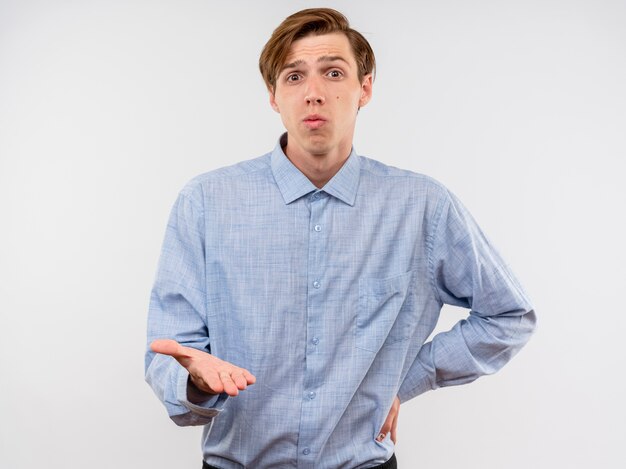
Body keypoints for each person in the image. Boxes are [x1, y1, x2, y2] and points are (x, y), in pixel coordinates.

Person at [145, 7, 536, 469]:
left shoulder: (422, 206)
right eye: (293, 77)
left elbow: (508, 315)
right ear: (273, 96)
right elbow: (169, 352)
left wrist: (404, 380)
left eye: (333, 72)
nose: (314, 93)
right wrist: (197, 381)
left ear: (364, 88)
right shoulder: (206, 201)